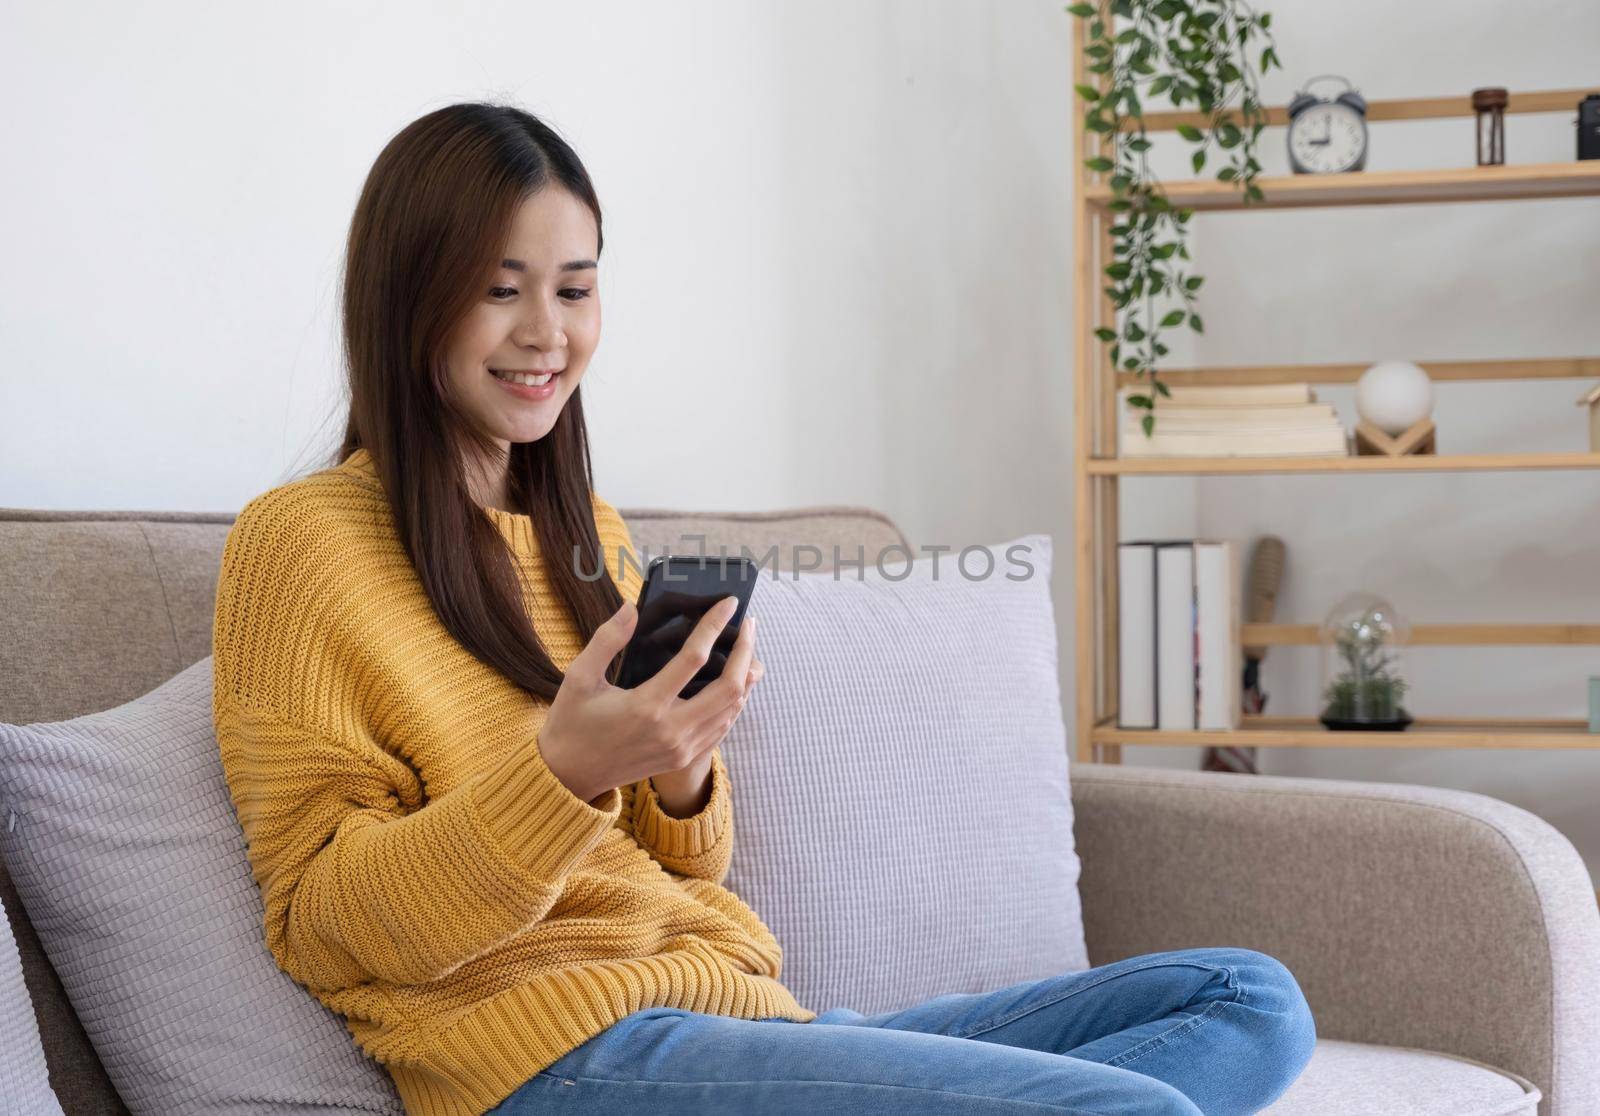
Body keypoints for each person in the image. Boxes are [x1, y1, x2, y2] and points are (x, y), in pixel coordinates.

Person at [211, 101, 1316, 1116]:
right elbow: (325, 927)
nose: (547, 331)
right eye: (501, 290)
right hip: (546, 1061)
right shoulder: (302, 544)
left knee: (1248, 1000)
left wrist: (680, 763)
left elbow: (685, 873)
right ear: (408, 293)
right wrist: (563, 773)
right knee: (1136, 1111)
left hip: (732, 1016)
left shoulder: (585, 532)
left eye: (575, 287)